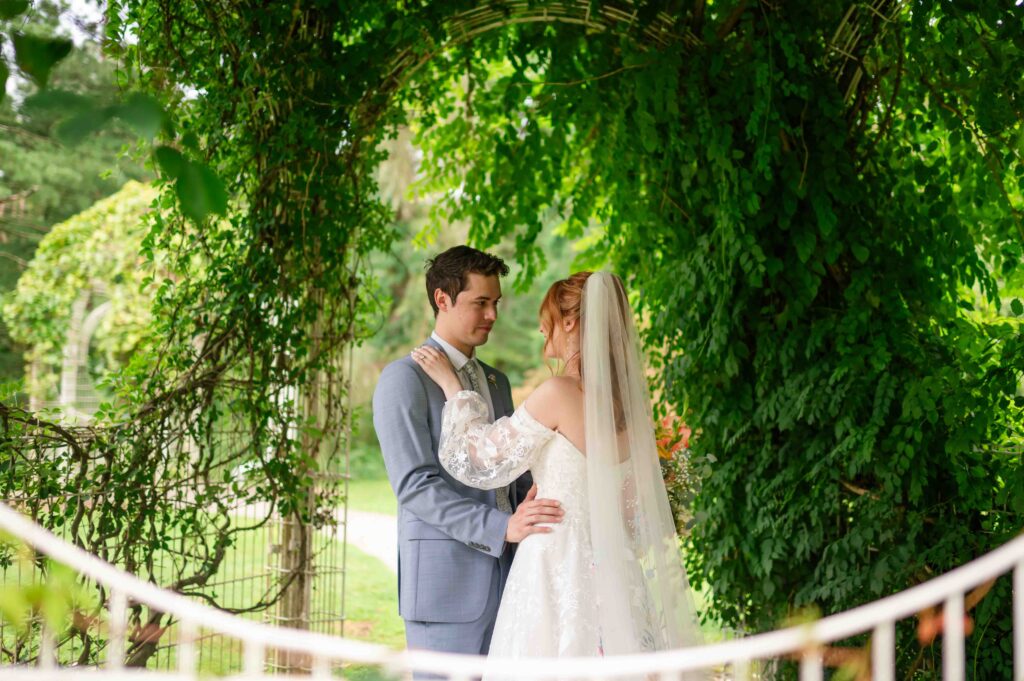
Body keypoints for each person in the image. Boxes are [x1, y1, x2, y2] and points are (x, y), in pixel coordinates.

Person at [410, 271, 704, 672]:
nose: (540, 325)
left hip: (555, 566)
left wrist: (452, 388)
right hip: (617, 574)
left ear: (569, 322)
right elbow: (631, 514)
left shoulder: (559, 394)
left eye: (547, 315)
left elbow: (481, 457)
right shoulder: (629, 413)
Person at [372, 246, 564, 667]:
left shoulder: (497, 381)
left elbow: (506, 470)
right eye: (480, 303)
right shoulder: (403, 380)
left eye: (495, 303)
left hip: (513, 574)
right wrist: (501, 527)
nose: (492, 315)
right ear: (443, 299)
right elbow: (415, 487)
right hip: (446, 586)